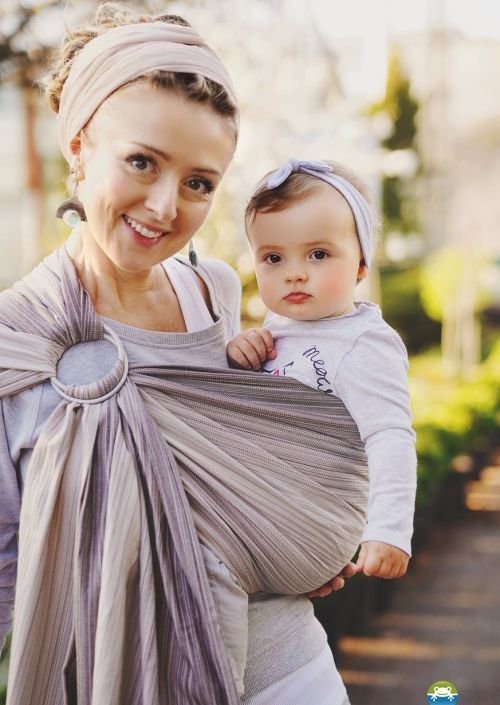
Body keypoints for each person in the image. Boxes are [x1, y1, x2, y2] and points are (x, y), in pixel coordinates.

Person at [0, 7, 359, 705]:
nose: (166, 205)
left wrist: (297, 535)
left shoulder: (213, 291)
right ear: (77, 146)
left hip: (291, 670)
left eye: (199, 182)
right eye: (141, 162)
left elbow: (241, 471)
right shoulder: (16, 342)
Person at [228, 159, 418, 580]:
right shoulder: (275, 331)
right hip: (259, 506)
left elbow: (389, 435)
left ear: (361, 266)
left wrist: (388, 528)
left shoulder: (365, 341)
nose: (294, 274)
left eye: (318, 254)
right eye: (273, 257)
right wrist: (239, 352)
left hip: (306, 518)